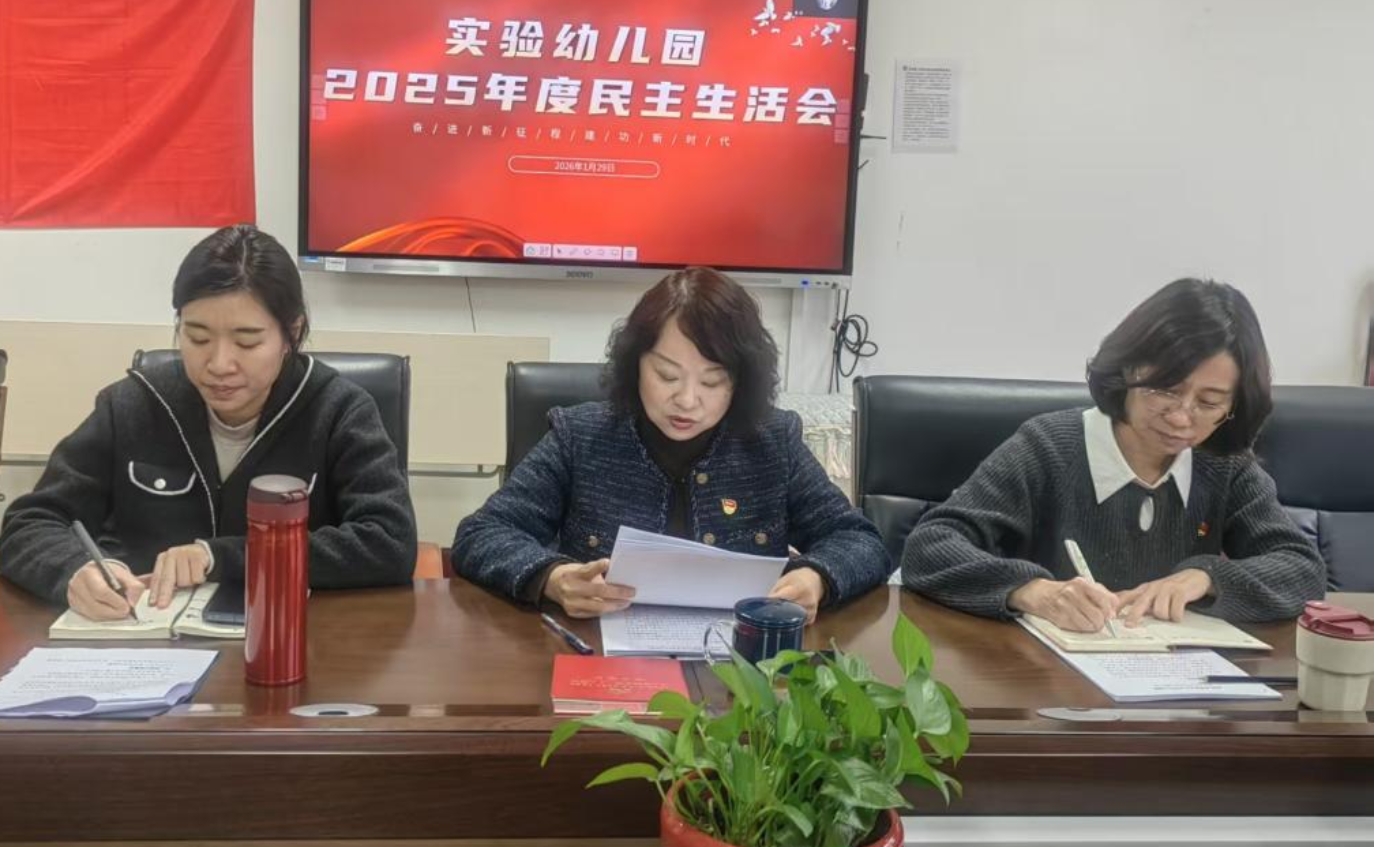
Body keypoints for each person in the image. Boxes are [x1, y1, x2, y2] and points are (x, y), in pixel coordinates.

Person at [0, 225, 418, 619]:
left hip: (289, 639)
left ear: (291, 334)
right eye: (197, 337)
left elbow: (389, 542)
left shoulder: (338, 411)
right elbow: (28, 524)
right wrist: (73, 569)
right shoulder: (133, 405)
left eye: (247, 342)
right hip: (141, 639)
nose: (219, 364)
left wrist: (220, 556)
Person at [454, 267, 889, 622]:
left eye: (712, 381)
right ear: (634, 365)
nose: (686, 400)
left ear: (740, 382)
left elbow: (860, 541)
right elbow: (481, 534)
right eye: (666, 375)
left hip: (742, 668)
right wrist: (552, 577)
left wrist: (816, 578)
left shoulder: (772, 442)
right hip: (602, 658)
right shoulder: (581, 436)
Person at [902, 278, 1326, 631]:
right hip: (1046, 683)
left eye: (1209, 402)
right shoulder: (1048, 447)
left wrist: (1206, 577)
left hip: (1177, 684)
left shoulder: (1224, 465)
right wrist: (1033, 591)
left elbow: (1303, 570)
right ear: (1128, 370)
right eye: (1166, 390)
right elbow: (930, 546)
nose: (1182, 417)